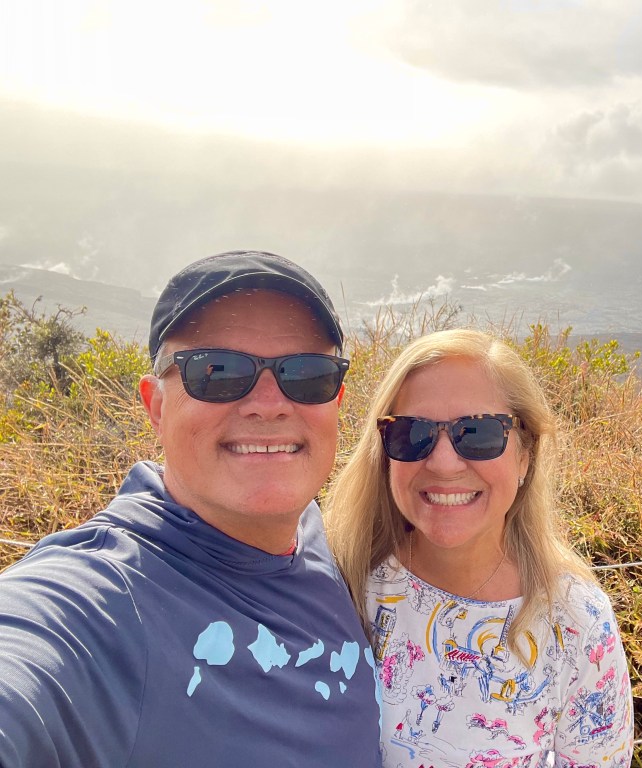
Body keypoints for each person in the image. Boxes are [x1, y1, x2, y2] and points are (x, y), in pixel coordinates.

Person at [0, 251, 382, 767]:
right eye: (217, 372)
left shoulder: (317, 531)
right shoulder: (103, 604)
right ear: (156, 406)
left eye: (306, 374)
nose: (269, 404)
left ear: (335, 402)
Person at [325, 329, 633, 768]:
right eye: (412, 433)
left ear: (525, 455)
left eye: (478, 433)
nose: (443, 462)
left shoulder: (576, 624)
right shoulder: (347, 583)